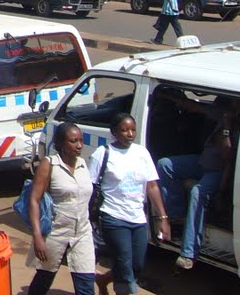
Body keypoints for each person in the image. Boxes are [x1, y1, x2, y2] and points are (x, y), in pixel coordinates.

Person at [88, 113, 170, 295]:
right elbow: (90, 188)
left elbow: (152, 185)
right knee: (124, 264)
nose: (130, 134)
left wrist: (163, 217)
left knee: (136, 265)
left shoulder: (141, 153)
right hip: (113, 217)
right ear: (114, 132)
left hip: (138, 217)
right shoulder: (102, 153)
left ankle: (103, 279)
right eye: (124, 130)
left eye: (133, 130)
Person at [155, 94, 240, 270]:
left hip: (219, 171)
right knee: (165, 165)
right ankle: (176, 215)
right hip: (202, 163)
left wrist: (227, 126)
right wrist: (168, 95)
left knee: (197, 192)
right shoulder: (220, 114)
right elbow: (194, 106)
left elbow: (227, 155)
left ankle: (188, 252)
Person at [26, 123, 96, 295]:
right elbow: (34, 200)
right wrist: (37, 237)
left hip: (82, 233)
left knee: (86, 284)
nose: (79, 146)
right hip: (55, 233)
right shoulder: (49, 165)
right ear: (61, 144)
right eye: (73, 141)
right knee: (44, 278)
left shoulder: (82, 164)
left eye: (81, 141)